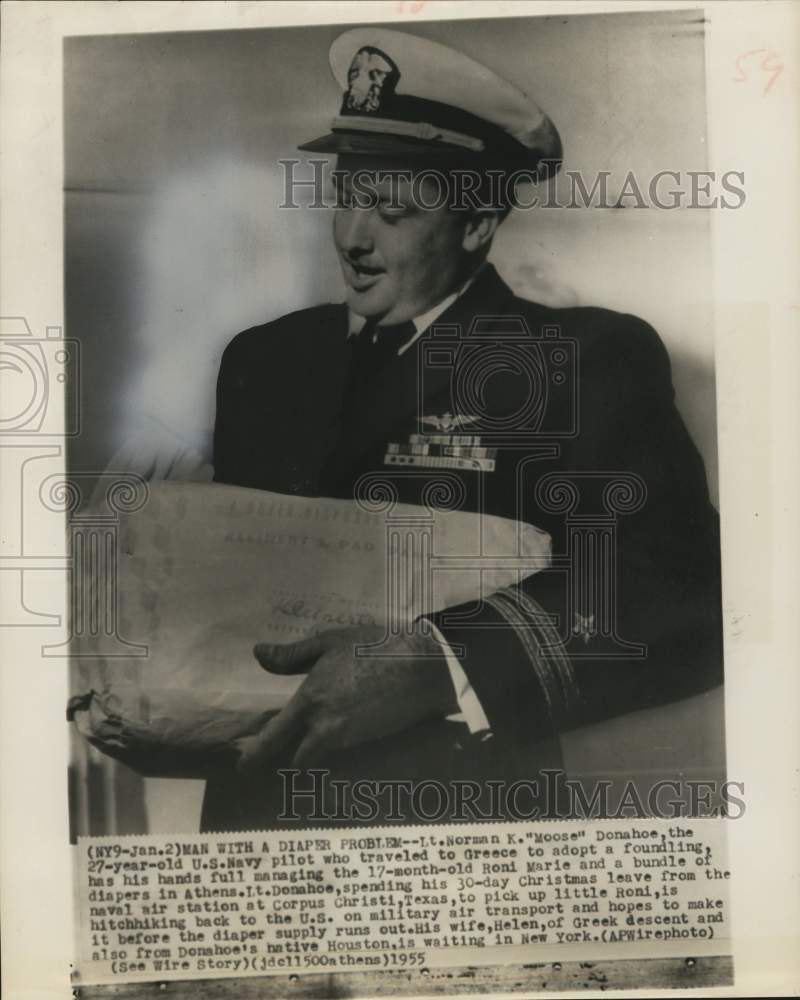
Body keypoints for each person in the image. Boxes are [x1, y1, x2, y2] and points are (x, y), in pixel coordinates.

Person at [202, 28, 723, 830]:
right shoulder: (264, 360)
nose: (353, 237)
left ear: (478, 221)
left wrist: (440, 665)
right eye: (347, 196)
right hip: (256, 827)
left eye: (394, 209)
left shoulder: (581, 360)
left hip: (455, 832)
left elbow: (685, 592)